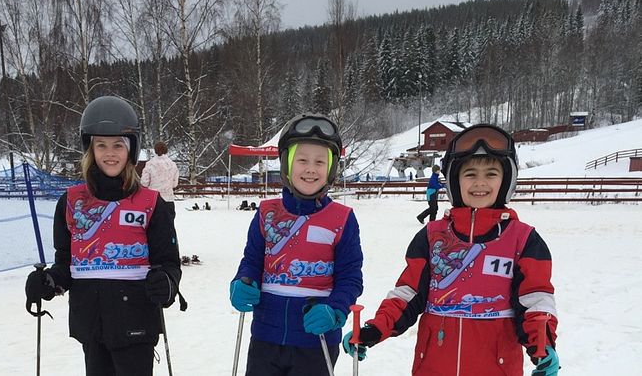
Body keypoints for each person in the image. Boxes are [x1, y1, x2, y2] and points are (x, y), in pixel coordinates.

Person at [342, 124, 559, 376]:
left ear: (506, 180)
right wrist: (375, 328)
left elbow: (536, 299)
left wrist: (542, 344)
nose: (480, 182)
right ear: (455, 179)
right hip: (434, 365)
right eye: (470, 174)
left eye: (491, 174)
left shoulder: (523, 240)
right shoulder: (432, 237)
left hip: (495, 367)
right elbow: (408, 293)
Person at [24, 96, 182, 376]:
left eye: (118, 145)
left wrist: (167, 285)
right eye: (102, 145)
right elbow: (66, 265)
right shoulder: (72, 202)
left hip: (136, 323)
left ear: (131, 150)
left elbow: (169, 263)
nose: (110, 153)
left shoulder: (150, 203)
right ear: (90, 149)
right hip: (92, 325)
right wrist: (48, 282)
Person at [230, 113, 363, 375]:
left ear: (332, 168)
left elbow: (350, 278)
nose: (311, 168)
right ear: (287, 164)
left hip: (316, 339)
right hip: (266, 337)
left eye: (320, 161)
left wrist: (335, 311)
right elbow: (252, 261)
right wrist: (242, 282)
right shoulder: (267, 213)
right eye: (302, 160)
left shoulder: (342, 219)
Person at [140, 141, 180, 218]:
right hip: (168, 200)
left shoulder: (150, 164)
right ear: (166, 150)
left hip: (154, 200)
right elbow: (175, 184)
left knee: (153, 226)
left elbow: (144, 182)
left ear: (155, 150)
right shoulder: (172, 165)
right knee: (168, 227)